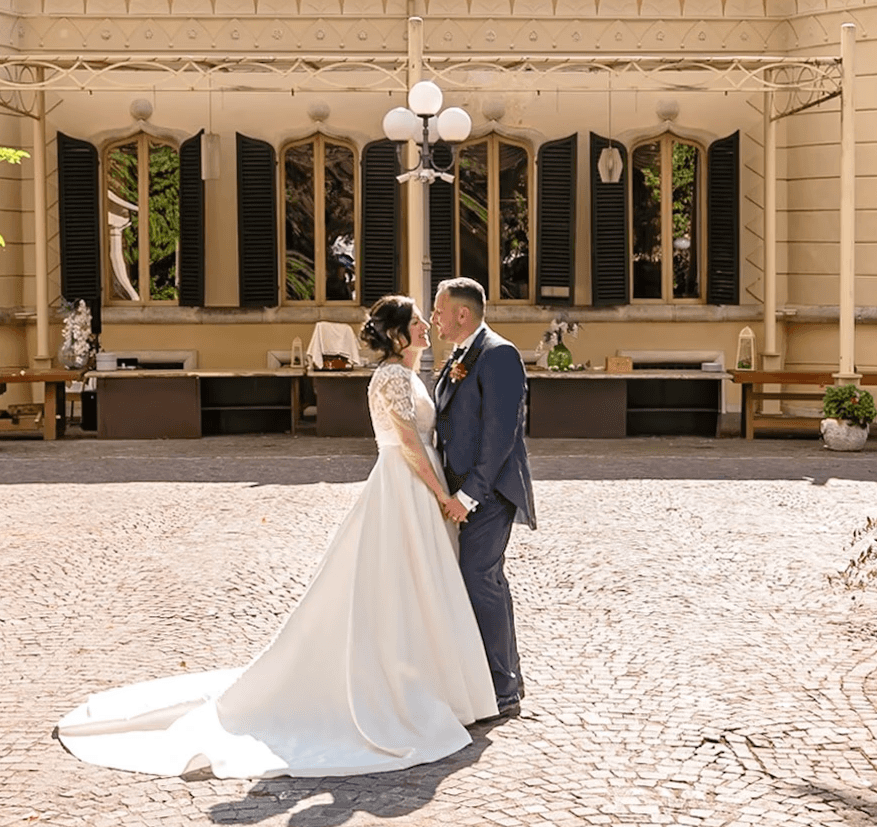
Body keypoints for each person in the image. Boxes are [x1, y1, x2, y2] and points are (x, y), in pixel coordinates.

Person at [56, 295, 498, 779]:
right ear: (396, 334)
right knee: (402, 582)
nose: (424, 325)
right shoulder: (391, 377)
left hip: (416, 485)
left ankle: (431, 681)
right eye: (415, 321)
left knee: (421, 582)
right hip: (405, 484)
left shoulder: (410, 375)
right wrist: (441, 493)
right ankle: (401, 684)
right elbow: (409, 442)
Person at [431, 278, 536, 719]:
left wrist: (469, 495)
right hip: (460, 490)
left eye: (439, 310)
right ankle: (497, 681)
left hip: (489, 493)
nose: (434, 318)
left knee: (479, 578)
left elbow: (501, 435)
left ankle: (504, 691)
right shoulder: (460, 354)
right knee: (481, 580)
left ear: (462, 313)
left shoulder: (499, 354)